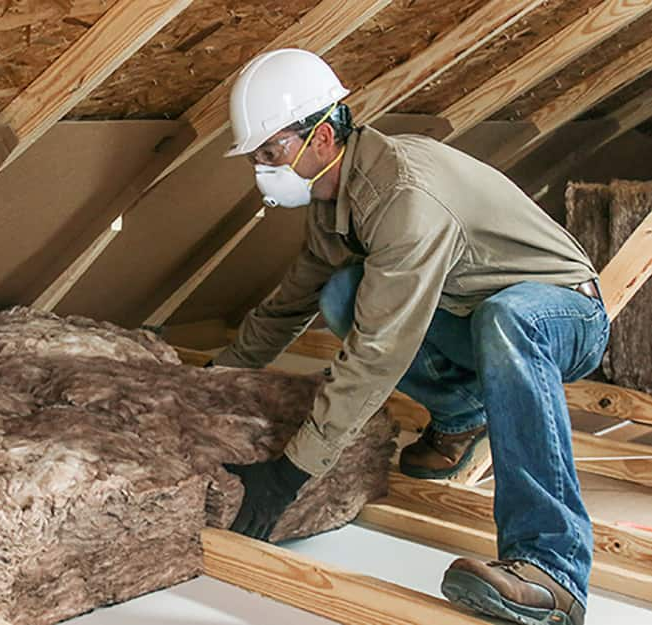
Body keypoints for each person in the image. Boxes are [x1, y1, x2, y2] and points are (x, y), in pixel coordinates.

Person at [212, 48, 607, 625]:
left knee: (506, 319)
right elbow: (288, 304)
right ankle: (461, 416)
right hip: (474, 315)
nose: (262, 169)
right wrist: (210, 381)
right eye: (257, 156)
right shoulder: (335, 200)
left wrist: (291, 473)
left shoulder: (402, 198)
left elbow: (378, 352)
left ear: (322, 137)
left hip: (564, 313)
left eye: (271, 152)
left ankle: (553, 567)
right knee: (340, 293)